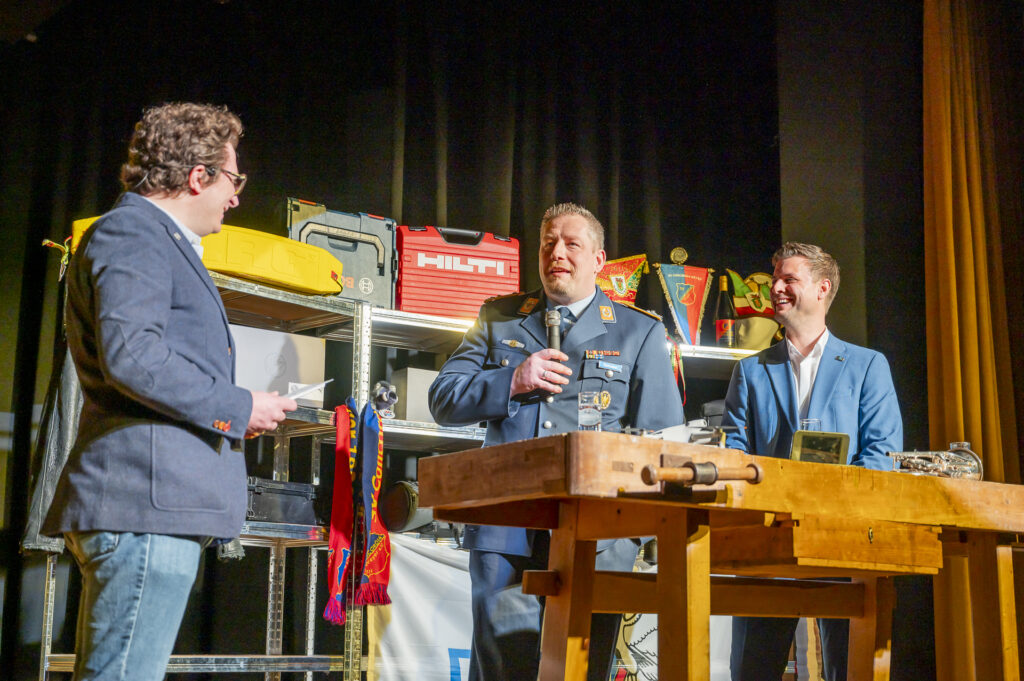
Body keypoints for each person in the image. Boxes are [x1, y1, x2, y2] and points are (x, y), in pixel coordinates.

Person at [42, 102, 297, 681]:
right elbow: (134, 356)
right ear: (198, 176)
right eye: (233, 180)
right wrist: (239, 405)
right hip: (143, 505)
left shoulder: (151, 238)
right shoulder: (135, 232)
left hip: (152, 507)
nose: (236, 197)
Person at [428, 202, 684, 681]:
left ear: (599, 260)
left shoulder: (640, 331)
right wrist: (513, 380)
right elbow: (443, 399)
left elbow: (664, 441)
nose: (557, 254)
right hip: (507, 532)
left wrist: (639, 536)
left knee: (581, 670)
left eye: (571, 244)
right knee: (503, 670)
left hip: (599, 537)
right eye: (548, 244)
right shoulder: (499, 317)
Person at [721, 241, 903, 681]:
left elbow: (882, 454)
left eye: (789, 279)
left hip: (845, 541)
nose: (776, 288)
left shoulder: (867, 365)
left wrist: (828, 505)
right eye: (775, 279)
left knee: (849, 669)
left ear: (823, 288)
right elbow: (732, 452)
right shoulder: (750, 370)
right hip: (768, 546)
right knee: (752, 670)